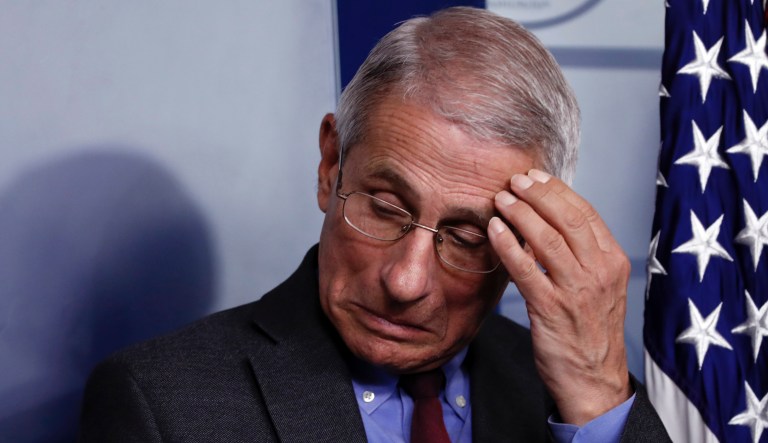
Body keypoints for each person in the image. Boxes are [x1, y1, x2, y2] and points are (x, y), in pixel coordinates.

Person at [79, 7, 670, 442]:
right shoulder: (162, 404)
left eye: (465, 237)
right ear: (330, 163)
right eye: (385, 208)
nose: (406, 283)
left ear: (525, 239)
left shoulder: (587, 404)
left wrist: (597, 398)